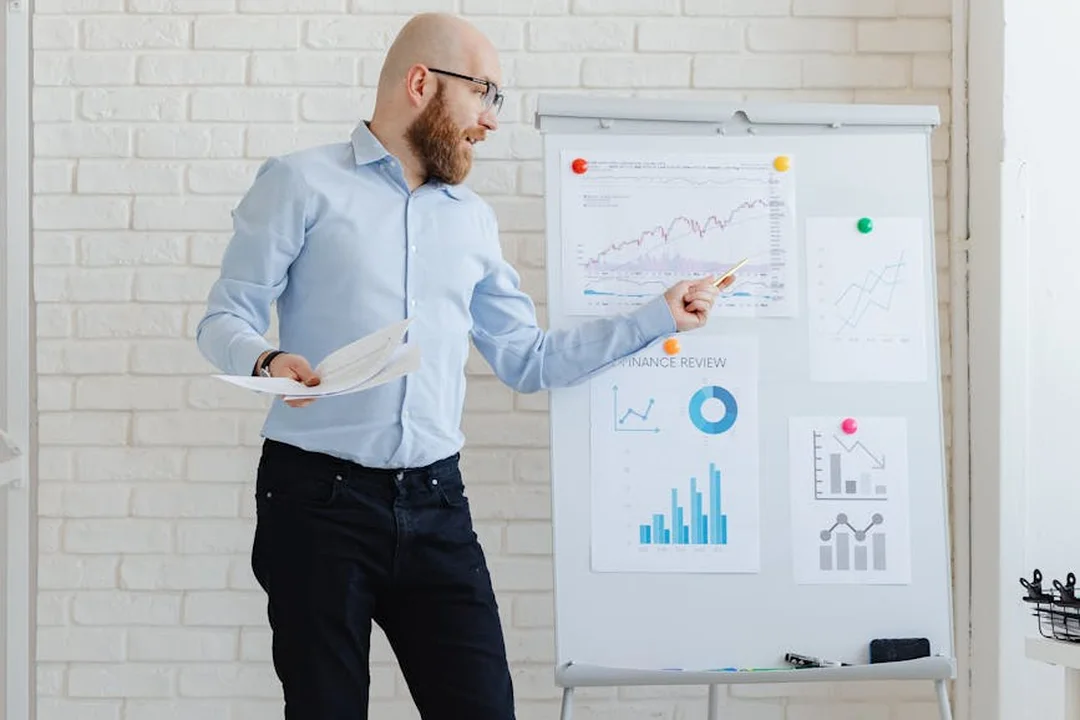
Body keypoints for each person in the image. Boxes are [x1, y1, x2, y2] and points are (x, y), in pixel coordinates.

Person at [195, 12, 735, 720]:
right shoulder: (300, 183)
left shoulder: (473, 220)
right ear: (423, 83)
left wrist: (657, 316)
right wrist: (266, 358)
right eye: (486, 94)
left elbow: (529, 360)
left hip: (437, 505)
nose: (492, 120)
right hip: (316, 506)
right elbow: (223, 319)